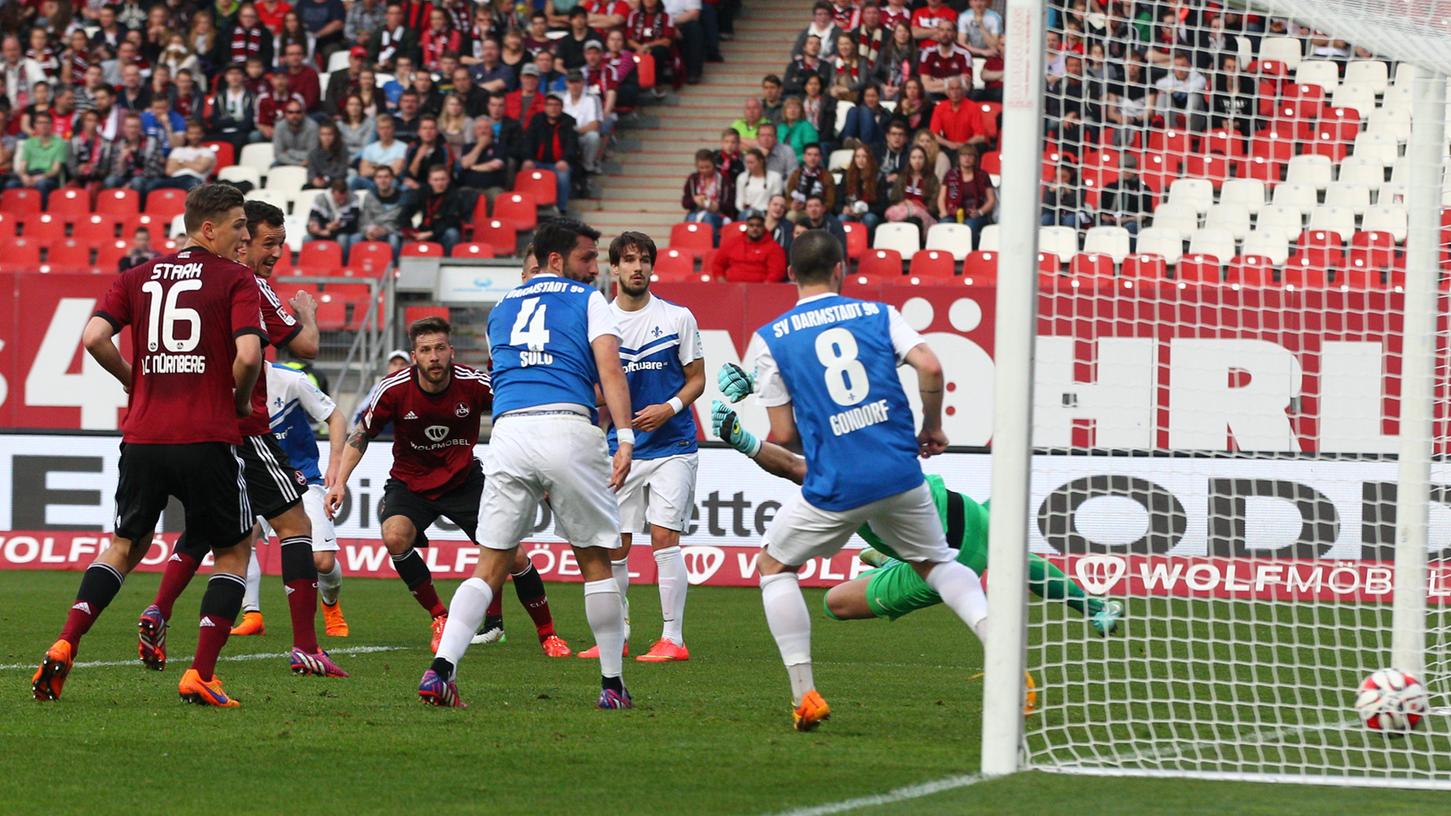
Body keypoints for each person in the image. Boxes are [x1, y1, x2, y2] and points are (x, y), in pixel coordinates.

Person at [728, 229, 991, 731]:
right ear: (840, 270)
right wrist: (931, 427)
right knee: (936, 563)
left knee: (774, 565)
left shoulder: (770, 338)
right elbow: (931, 367)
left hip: (837, 483)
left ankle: (805, 697)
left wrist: (809, 423)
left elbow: (784, 436)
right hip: (898, 471)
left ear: (790, 276)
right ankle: (999, 647)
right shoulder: (878, 314)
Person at [31, 184, 264, 707]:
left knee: (125, 545)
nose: (245, 235)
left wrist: (132, 380)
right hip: (207, 435)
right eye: (238, 226)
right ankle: (201, 673)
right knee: (233, 549)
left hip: (143, 437)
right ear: (209, 229)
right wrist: (243, 401)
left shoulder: (136, 276)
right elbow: (248, 356)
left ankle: (66, 641)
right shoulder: (235, 278)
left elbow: (93, 337)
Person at [419, 219, 635, 709]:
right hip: (568, 425)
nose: (594, 268)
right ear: (556, 260)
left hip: (511, 432)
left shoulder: (501, 306)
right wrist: (625, 437)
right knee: (595, 562)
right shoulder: (589, 300)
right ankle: (612, 685)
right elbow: (609, 368)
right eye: (586, 258)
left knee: (490, 563)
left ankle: (442, 669)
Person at [138, 199, 342, 679]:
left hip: (190, 424)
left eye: (280, 243)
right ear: (242, 236)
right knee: (294, 526)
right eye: (267, 241)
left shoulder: (193, 278)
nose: (273, 252)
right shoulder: (246, 282)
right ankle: (305, 647)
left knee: (208, 528)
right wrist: (306, 312)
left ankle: (159, 610)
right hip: (243, 425)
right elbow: (305, 346)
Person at [710, 403, 1124, 634]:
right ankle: (1094, 608)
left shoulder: (838, 476)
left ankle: (996, 646)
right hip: (969, 511)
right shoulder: (880, 443)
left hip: (948, 557)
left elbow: (792, 466)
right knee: (1009, 553)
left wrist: (744, 441)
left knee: (835, 604)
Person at [326, 317, 572, 659]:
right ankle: (440, 617)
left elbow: (517, 409)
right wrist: (339, 481)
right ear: (415, 356)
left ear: (451, 351)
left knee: (514, 556)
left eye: (440, 348)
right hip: (410, 482)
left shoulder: (472, 383)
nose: (434, 357)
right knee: (395, 536)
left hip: (463, 481)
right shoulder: (394, 388)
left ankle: (548, 635)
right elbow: (361, 434)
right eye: (426, 350)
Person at [574, 233, 704, 663]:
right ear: (614, 269)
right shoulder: (599, 324)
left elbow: (697, 378)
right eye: (628, 260)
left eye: (644, 260)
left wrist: (668, 408)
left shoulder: (677, 317)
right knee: (616, 544)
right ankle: (619, 635)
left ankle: (674, 638)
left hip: (673, 444)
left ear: (652, 267)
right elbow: (596, 390)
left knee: (665, 537)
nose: (637, 268)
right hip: (622, 448)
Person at [232, 362, 349, 637]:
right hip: (256, 479)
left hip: (301, 478)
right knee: (240, 540)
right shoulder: (227, 381)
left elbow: (335, 416)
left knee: (322, 561)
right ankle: (252, 615)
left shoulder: (291, 381)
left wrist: (335, 463)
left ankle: (331, 605)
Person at [521, 94, 579, 211]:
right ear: (545, 107)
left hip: (559, 163)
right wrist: (528, 158)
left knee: (563, 175)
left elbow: (572, 145)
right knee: (525, 170)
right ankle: (525, 208)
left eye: (556, 105)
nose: (553, 108)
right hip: (537, 162)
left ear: (562, 107)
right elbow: (528, 141)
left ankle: (561, 209)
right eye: (550, 105)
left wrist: (565, 160)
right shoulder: (537, 120)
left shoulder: (569, 121)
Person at [401, 164, 468, 254]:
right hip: (422, 231)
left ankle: (448, 263)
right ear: (430, 181)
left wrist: (431, 233)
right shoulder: (422, 193)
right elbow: (406, 213)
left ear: (448, 180)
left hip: (441, 233)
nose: (439, 183)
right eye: (436, 180)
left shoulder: (455, 196)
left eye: (442, 179)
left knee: (452, 233)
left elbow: (452, 221)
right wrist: (411, 232)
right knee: (400, 236)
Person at [937, 144, 994, 246]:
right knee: (944, 224)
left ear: (975, 158)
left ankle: (968, 252)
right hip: (952, 212)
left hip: (975, 214)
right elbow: (942, 197)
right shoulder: (950, 175)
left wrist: (980, 212)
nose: (967, 158)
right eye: (963, 155)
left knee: (970, 225)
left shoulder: (983, 175)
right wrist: (943, 212)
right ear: (959, 158)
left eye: (970, 155)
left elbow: (991, 200)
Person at [711, 211, 787, 282]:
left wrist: (765, 289)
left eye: (758, 225)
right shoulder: (732, 243)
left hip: (760, 291)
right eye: (751, 225)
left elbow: (777, 272)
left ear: (764, 227)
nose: (755, 228)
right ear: (746, 226)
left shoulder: (774, 248)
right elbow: (717, 265)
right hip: (731, 290)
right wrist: (722, 283)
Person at [12, 111, 67, 204]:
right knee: (11, 184)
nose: (43, 125)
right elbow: (23, 166)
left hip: (48, 177)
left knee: (41, 184)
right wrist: (24, 176)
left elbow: (55, 170)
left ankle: (41, 213)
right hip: (30, 175)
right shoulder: (29, 143)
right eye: (40, 123)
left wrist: (39, 178)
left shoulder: (60, 143)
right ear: (35, 125)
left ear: (51, 125)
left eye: (46, 122)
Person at [682, 147, 734, 244]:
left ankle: (712, 248)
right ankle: (693, 248)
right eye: (701, 167)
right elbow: (685, 203)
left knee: (708, 217)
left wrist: (717, 206)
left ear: (714, 164)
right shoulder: (693, 179)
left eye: (708, 167)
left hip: (719, 214)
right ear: (696, 166)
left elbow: (730, 204)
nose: (705, 170)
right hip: (696, 212)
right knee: (691, 219)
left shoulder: (724, 178)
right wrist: (695, 200)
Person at [1098, 153, 1153, 238]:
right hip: (1112, 221)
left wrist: (1127, 219)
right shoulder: (1109, 188)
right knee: (1104, 228)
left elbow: (1145, 215)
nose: (1127, 171)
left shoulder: (1143, 189)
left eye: (1130, 168)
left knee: (1130, 227)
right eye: (1124, 168)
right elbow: (1101, 211)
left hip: (1133, 222)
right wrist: (1107, 217)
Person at [359, 164, 406, 254]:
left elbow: (401, 223)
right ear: (375, 180)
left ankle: (395, 267)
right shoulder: (369, 196)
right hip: (373, 231)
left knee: (394, 240)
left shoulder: (402, 197)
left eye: (386, 177)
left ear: (392, 179)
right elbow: (364, 220)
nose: (382, 180)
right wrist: (369, 231)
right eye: (379, 177)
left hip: (392, 232)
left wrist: (384, 230)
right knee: (355, 238)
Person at [354, 113, 406, 193]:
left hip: (391, 181)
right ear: (377, 130)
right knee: (354, 180)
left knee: (393, 183)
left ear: (393, 129)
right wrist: (386, 167)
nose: (385, 131)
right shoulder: (369, 148)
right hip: (371, 182)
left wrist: (374, 166)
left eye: (388, 128)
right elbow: (363, 171)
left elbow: (396, 171)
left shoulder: (402, 147)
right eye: (382, 128)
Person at [306, 179, 360, 255]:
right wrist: (320, 228)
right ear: (332, 192)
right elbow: (312, 221)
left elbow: (353, 223)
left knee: (343, 238)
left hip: (341, 232)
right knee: (306, 238)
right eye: (339, 198)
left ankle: (343, 265)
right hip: (322, 231)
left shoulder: (353, 198)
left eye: (344, 198)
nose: (341, 201)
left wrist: (331, 231)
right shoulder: (320, 199)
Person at [162, 120, 218, 193]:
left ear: (202, 134)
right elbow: (169, 171)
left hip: (194, 179)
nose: (194, 136)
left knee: (195, 187)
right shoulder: (178, 150)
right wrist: (194, 163)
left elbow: (200, 169)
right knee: (152, 186)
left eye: (197, 133)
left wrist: (180, 162)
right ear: (186, 135)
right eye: (191, 133)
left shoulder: (207, 151)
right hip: (173, 179)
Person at [735, 147, 783, 218]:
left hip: (767, 213)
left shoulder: (775, 177)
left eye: (751, 162)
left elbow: (776, 200)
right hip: (747, 213)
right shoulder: (742, 177)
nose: (748, 166)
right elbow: (739, 201)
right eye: (747, 163)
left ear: (761, 161)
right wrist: (743, 209)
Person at [272, 99, 320, 167]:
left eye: (298, 112)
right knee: (273, 167)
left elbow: (313, 154)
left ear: (303, 113)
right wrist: (298, 163)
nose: (294, 115)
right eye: (290, 112)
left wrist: (290, 152)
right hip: (287, 161)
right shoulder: (279, 127)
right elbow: (278, 154)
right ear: (285, 114)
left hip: (308, 162)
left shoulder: (312, 126)